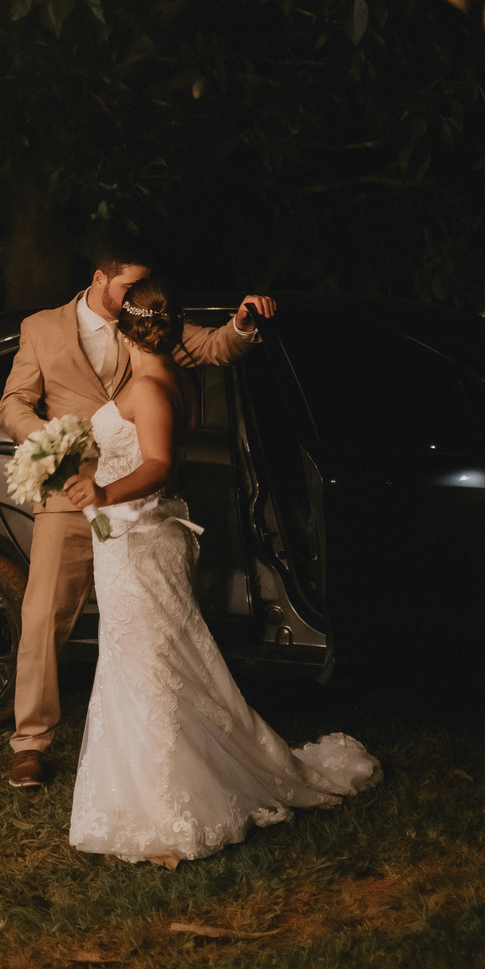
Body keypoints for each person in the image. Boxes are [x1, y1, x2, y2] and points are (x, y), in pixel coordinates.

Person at [63, 277, 381, 863]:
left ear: (126, 331)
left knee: (149, 667)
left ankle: (168, 809)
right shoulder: (170, 377)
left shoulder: (150, 387)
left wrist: (103, 492)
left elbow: (157, 465)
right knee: (150, 664)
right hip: (135, 538)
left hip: (138, 542)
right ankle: (144, 793)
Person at [0, 236, 275, 787]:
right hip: (69, 495)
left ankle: (163, 740)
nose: (138, 295)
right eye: (129, 285)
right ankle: (30, 743)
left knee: (147, 626)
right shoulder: (41, 328)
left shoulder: (148, 322)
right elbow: (14, 402)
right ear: (100, 279)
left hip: (140, 502)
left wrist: (242, 324)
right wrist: (51, 442)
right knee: (43, 617)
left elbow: (215, 346)